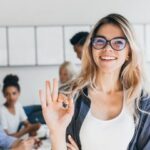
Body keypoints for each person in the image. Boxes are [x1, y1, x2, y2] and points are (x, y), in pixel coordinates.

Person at [39, 13, 150, 150]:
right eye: (100, 41)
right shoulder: (72, 97)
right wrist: (56, 132)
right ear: (91, 48)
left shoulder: (143, 103)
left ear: (129, 52)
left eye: (118, 42)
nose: (107, 48)